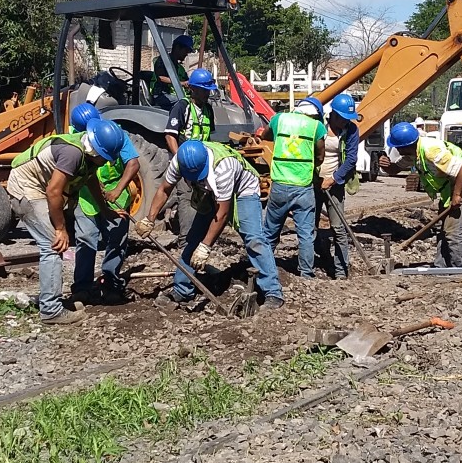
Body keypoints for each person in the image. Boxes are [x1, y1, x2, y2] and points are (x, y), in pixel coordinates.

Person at [134, 140, 284, 310]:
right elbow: (164, 189)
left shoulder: (223, 167)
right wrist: (149, 219)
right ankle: (182, 291)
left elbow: (222, 214)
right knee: (193, 239)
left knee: (254, 238)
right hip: (209, 190)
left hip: (243, 189)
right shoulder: (179, 160)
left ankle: (272, 292)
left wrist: (206, 247)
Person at [7, 119, 125, 324]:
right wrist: (60, 228)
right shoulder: (73, 153)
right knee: (53, 245)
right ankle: (51, 310)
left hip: (41, 189)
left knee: (54, 244)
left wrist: (105, 211)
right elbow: (53, 192)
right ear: (97, 151)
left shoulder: (87, 156)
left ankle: (50, 300)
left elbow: (89, 179)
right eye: (104, 157)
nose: (105, 162)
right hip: (26, 189)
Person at [379, 122, 462, 268]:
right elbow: (395, 169)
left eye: (397, 146)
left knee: (453, 231)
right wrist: (387, 166)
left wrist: (457, 195)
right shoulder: (412, 153)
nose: (395, 148)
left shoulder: (431, 150)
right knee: (444, 229)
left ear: (404, 146)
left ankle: (461, 269)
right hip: (450, 189)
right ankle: (441, 266)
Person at [68, 104, 140, 305]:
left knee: (117, 240)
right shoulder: (74, 137)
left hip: (116, 198)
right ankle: (82, 287)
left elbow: (133, 163)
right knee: (85, 239)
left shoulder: (113, 134)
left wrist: (117, 190)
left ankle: (110, 281)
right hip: (87, 198)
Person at [261, 97, 327, 278]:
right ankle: (306, 273)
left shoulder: (279, 119)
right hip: (303, 187)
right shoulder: (316, 127)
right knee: (305, 234)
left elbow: (264, 135)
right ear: (315, 114)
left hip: (280, 185)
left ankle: (263, 268)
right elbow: (320, 155)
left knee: (270, 230)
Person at [163, 68, 217, 262]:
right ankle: (186, 241)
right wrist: (180, 160)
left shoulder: (208, 109)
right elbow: (170, 135)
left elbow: (208, 136)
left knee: (203, 198)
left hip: (202, 163)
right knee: (186, 197)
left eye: (208, 90)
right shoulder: (182, 107)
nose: (207, 93)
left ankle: (201, 238)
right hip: (185, 162)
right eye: (204, 89)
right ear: (193, 89)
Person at [316, 94, 359, 279]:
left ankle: (341, 270)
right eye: (343, 118)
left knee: (339, 228)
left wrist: (333, 179)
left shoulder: (351, 130)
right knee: (309, 226)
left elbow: (351, 159)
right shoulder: (319, 127)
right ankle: (310, 267)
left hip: (335, 184)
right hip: (314, 182)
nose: (346, 122)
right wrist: (316, 179)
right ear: (333, 114)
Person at [151, 35, 195, 110]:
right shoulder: (163, 61)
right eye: (186, 50)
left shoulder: (179, 67)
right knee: (183, 101)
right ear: (178, 47)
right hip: (160, 95)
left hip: (174, 95)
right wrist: (182, 83)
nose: (186, 54)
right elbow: (160, 77)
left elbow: (186, 81)